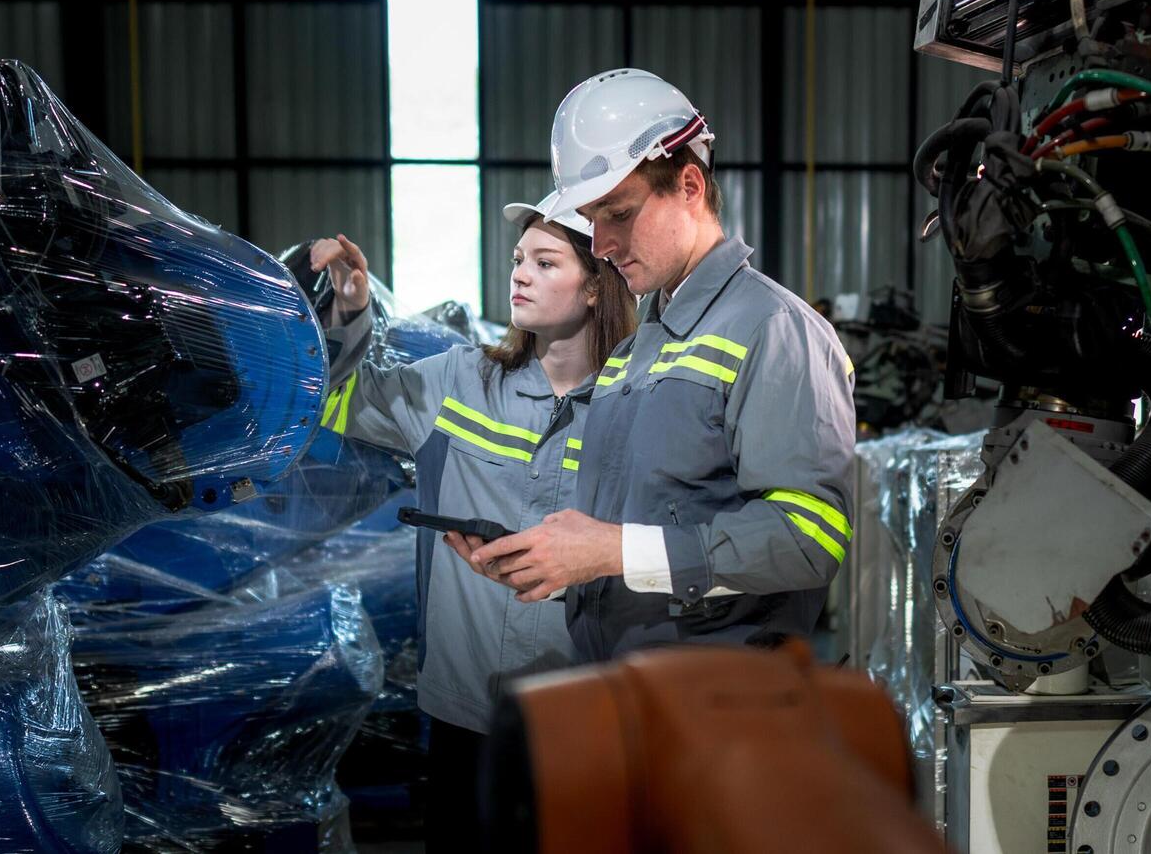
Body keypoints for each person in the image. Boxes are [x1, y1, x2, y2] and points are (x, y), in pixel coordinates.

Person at [468, 68, 858, 661]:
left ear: (690, 186)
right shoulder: (632, 354)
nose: (601, 245)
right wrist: (554, 562)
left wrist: (612, 552)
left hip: (716, 695)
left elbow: (810, 539)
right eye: (593, 220)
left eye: (619, 214)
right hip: (626, 684)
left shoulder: (773, 329)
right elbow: (638, 543)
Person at [308, 198, 635, 851]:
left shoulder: (636, 407)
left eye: (546, 263)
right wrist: (350, 311)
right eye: (518, 260)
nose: (520, 274)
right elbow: (334, 403)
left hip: (585, 706)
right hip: (467, 706)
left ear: (597, 286)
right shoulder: (460, 381)